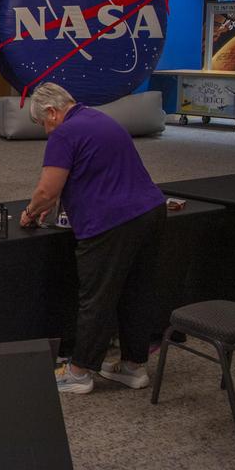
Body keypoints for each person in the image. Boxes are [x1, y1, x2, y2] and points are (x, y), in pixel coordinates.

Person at [19, 82, 167, 395]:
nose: (46, 130)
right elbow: (94, 170)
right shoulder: (101, 119)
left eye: (43, 123)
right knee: (136, 291)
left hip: (112, 223)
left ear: (52, 112)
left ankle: (79, 371)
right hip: (151, 211)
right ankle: (133, 366)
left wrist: (31, 212)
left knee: (96, 296)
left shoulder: (64, 133)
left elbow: (47, 189)